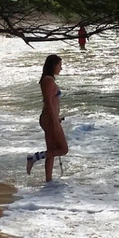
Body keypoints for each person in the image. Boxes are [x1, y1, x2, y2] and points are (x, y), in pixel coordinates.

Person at [26, 54, 68, 182]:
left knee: (52, 150)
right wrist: (54, 120)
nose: (61, 68)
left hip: (50, 118)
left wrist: (57, 117)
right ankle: (33, 157)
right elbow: (48, 102)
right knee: (63, 149)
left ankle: (48, 181)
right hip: (49, 119)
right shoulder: (48, 80)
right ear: (53, 65)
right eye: (59, 65)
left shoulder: (48, 79)